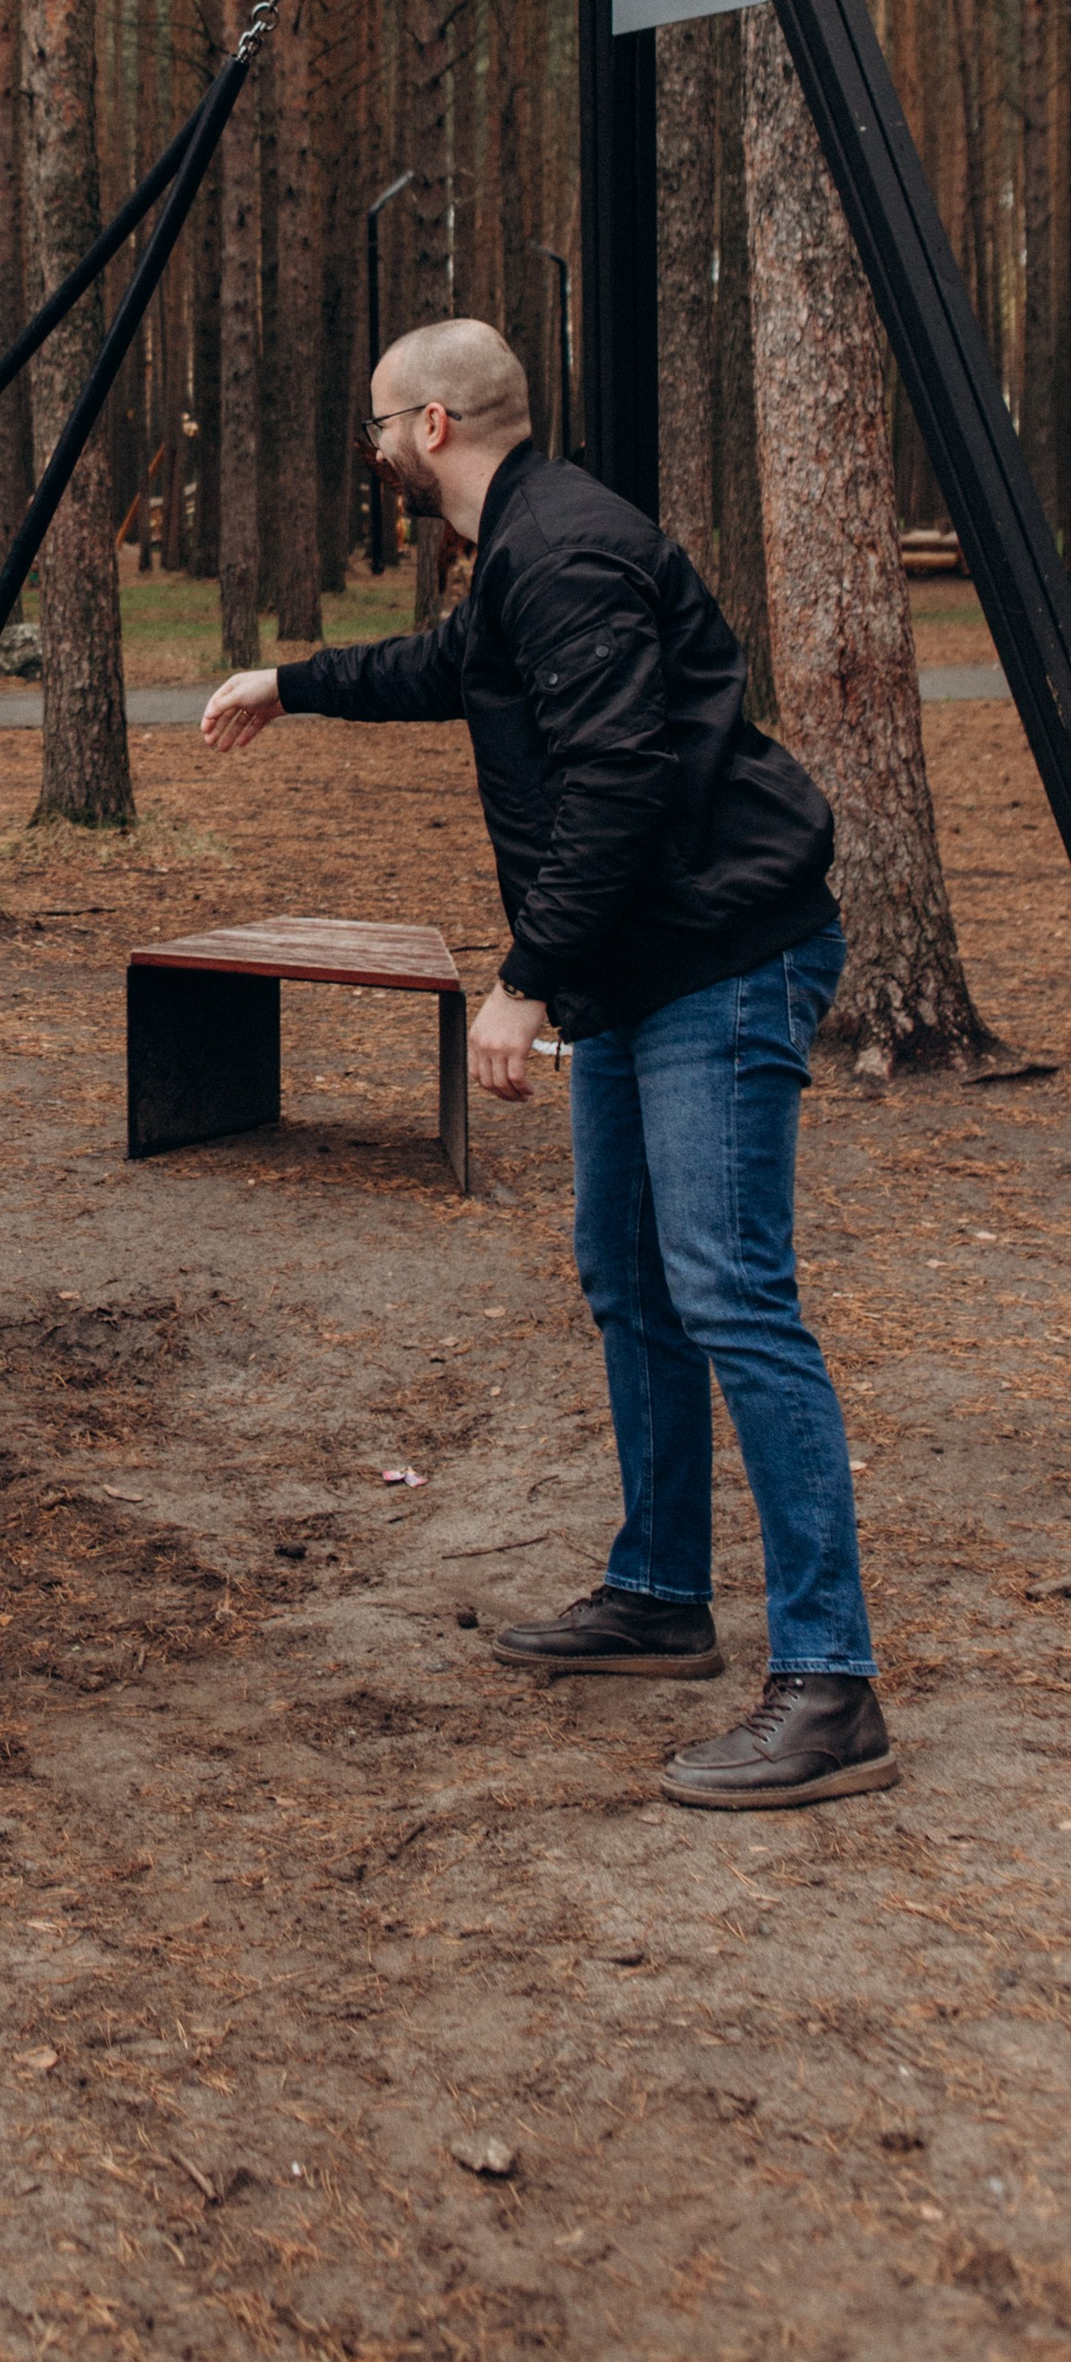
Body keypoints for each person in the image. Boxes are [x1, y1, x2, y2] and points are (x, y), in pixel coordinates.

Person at [200, 317, 896, 1814]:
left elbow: (623, 781)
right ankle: (658, 1595)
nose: (374, 445)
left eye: (383, 423)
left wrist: (522, 983)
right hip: (650, 967)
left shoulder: (564, 551)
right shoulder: (522, 547)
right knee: (632, 1279)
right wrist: (294, 681)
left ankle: (832, 1686)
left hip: (719, 961)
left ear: (435, 425)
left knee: (732, 1293)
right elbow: (455, 665)